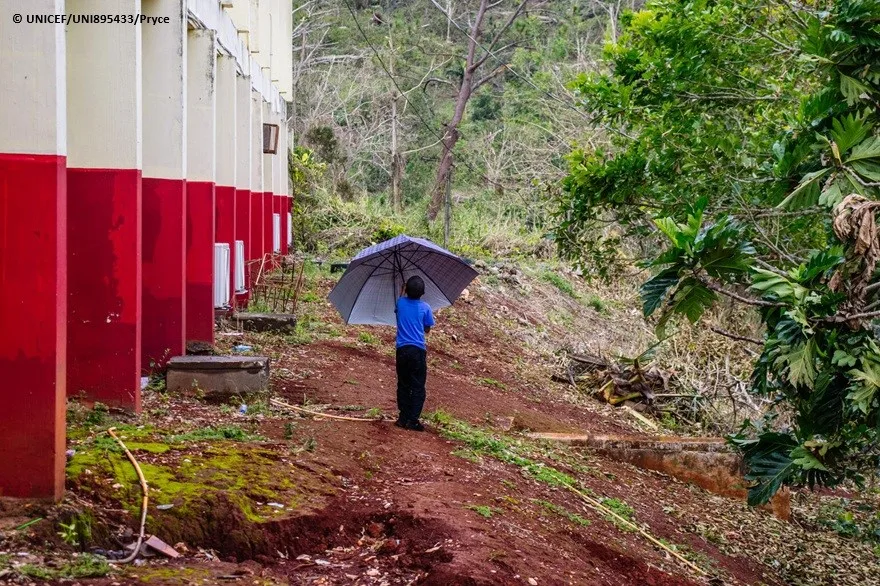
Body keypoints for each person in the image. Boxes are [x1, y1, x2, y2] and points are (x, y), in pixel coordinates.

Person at [395, 275, 435, 431]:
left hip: (402, 350)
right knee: (418, 386)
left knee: (403, 384)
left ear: (406, 290)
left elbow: (398, 310)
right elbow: (427, 329)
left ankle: (403, 417)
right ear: (423, 292)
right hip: (418, 351)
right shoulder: (425, 308)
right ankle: (413, 420)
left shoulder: (400, 302)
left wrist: (401, 291)